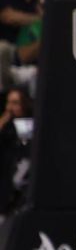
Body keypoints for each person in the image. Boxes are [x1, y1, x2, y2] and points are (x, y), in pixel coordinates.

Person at [0, 87, 34, 217]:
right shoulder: (6, 126)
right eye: (8, 103)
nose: (10, 108)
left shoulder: (30, 124)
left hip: (23, 182)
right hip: (6, 183)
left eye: (15, 103)